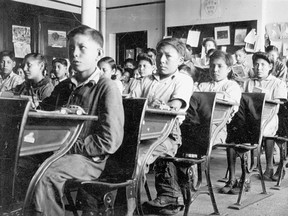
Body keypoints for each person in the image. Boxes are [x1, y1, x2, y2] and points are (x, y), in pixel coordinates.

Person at [23, 25, 124, 216]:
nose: (75, 54)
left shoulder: (107, 87)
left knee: (46, 175)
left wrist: (66, 145)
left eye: (82, 48)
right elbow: (43, 114)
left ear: (98, 53)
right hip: (57, 152)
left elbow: (109, 140)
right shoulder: (64, 86)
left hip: (88, 159)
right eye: (71, 49)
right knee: (18, 166)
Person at [131, 38, 194, 215]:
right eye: (159, 55)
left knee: (135, 159)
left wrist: (156, 106)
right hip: (140, 131)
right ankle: (117, 202)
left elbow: (173, 106)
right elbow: (131, 102)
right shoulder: (146, 80)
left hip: (167, 134)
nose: (162, 60)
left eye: (168, 56)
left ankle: (127, 210)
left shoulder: (183, 80)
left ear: (180, 60)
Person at [223, 52, 287, 195]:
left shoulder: (277, 83)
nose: (259, 68)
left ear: (270, 67)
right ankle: (232, 178)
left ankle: (246, 176)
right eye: (256, 64)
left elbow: (279, 106)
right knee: (232, 132)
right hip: (248, 120)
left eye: (263, 65)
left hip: (268, 119)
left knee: (247, 131)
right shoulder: (248, 82)